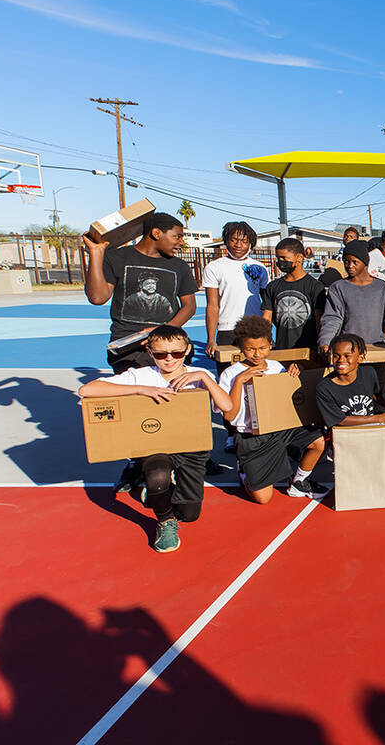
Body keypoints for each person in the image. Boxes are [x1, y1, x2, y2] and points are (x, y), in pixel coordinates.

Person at [77, 325, 233, 552]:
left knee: (189, 515)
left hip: (191, 448)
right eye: (161, 354)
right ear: (150, 353)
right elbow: (87, 389)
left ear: (187, 350)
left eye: (176, 353)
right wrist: (142, 389)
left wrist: (203, 377)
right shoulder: (140, 375)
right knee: (157, 475)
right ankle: (164, 520)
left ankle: (157, 492)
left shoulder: (200, 376)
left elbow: (227, 407)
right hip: (154, 445)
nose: (169, 359)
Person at [219, 316, 328, 503]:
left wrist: (296, 369)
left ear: (270, 344)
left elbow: (289, 399)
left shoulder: (277, 367)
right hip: (251, 437)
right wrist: (240, 382)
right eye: (250, 349)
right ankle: (243, 470)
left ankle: (299, 481)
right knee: (263, 498)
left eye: (262, 348)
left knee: (318, 442)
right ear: (241, 347)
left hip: (280, 429)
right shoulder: (231, 374)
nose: (256, 354)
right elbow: (229, 415)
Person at [314, 333, 385, 502]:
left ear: (360, 357)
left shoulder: (368, 373)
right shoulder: (324, 387)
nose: (340, 360)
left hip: (373, 424)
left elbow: (376, 396)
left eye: (347, 356)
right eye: (336, 355)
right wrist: (378, 419)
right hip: (346, 434)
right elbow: (339, 421)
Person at [81, 212, 198, 374]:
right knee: (137, 396)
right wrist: (96, 253)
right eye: (177, 237)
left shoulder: (179, 266)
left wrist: (160, 331)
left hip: (168, 344)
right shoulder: (116, 257)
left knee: (172, 394)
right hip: (128, 347)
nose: (181, 242)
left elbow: (190, 306)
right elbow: (97, 298)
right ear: (156, 233)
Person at [317, 240, 385, 356]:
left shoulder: (381, 287)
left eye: (355, 262)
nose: (349, 266)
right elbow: (332, 318)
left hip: (377, 348)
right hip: (348, 351)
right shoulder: (338, 288)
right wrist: (325, 341)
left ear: (365, 263)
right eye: (346, 261)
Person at [203, 222, 268, 360]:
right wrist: (211, 339)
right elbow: (212, 305)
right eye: (233, 240)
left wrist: (267, 333)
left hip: (254, 330)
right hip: (227, 329)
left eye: (244, 241)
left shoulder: (260, 267)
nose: (238, 245)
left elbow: (267, 303)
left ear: (250, 243)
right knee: (227, 374)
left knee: (256, 376)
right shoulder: (214, 267)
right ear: (226, 241)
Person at [261, 237, 325, 350]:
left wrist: (320, 346)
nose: (280, 262)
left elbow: (319, 320)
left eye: (284, 258)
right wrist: (264, 341)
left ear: (299, 258)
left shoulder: (315, 287)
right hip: (281, 349)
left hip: (309, 350)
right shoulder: (272, 287)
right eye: (278, 258)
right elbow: (266, 319)